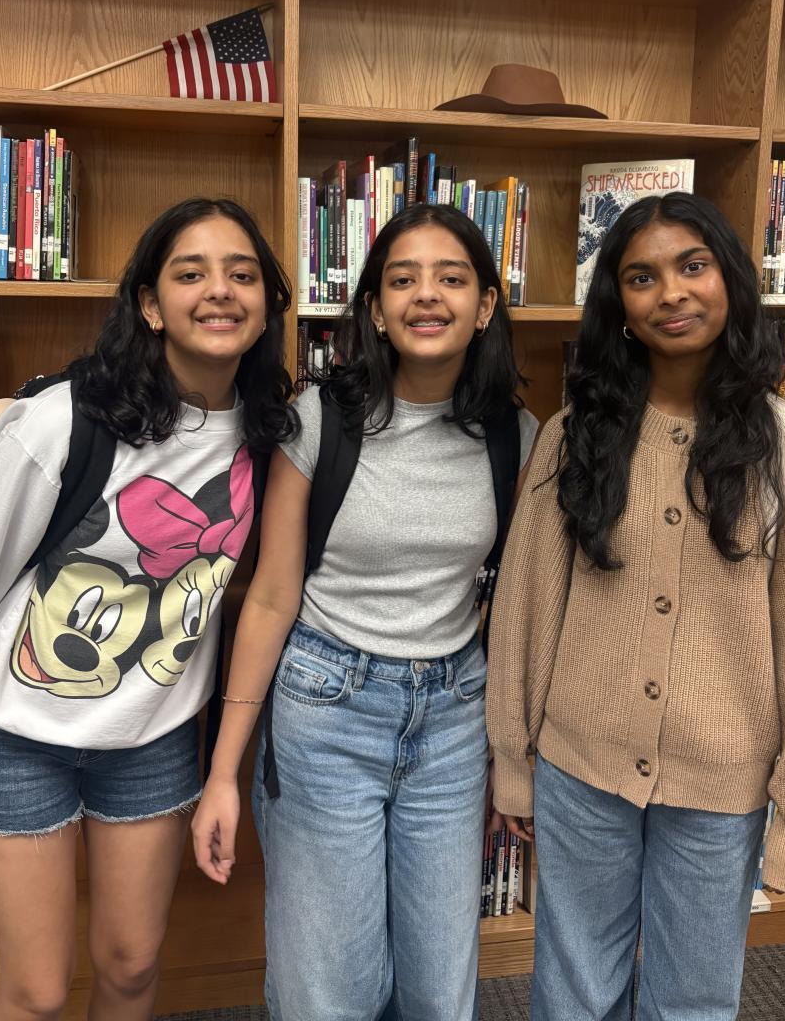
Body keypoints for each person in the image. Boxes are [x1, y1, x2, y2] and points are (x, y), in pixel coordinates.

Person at [0, 197, 295, 1021]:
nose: (219, 291)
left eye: (241, 274)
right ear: (151, 304)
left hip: (150, 737)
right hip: (16, 733)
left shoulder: (272, 432)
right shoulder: (63, 420)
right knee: (38, 991)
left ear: (268, 303)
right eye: (190, 274)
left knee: (131, 965)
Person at [486, 192, 785, 1021]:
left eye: (693, 266)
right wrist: (513, 755)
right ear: (619, 304)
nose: (672, 293)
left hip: (721, 787)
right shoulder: (575, 434)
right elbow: (526, 608)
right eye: (642, 277)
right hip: (581, 768)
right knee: (573, 990)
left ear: (730, 279)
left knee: (692, 998)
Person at [193, 203, 538, 1021]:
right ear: (377, 310)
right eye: (403, 280)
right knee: (331, 990)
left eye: (452, 279)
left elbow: (517, 603)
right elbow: (271, 594)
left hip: (453, 716)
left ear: (485, 306)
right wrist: (223, 772)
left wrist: (511, 754)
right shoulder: (322, 417)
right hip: (327, 708)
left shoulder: (515, 435)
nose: (428, 296)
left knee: (438, 987)